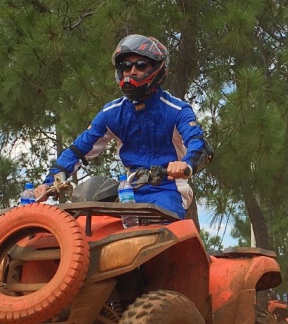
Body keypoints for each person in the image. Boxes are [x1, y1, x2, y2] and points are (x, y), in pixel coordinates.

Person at [32, 34, 211, 219]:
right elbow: (77, 151)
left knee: (161, 232)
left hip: (168, 188)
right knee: (91, 227)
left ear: (157, 68)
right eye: (125, 66)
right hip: (129, 192)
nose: (131, 71)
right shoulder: (112, 112)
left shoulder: (177, 109)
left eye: (140, 65)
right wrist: (50, 183)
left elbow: (199, 144)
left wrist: (186, 164)